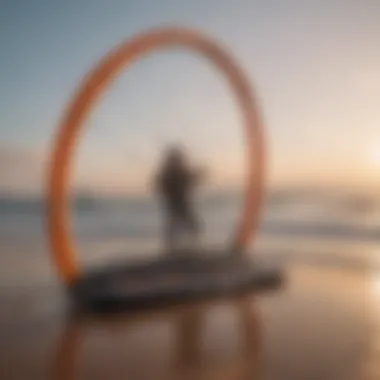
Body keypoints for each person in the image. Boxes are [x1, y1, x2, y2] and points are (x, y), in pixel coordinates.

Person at [154, 146, 206, 253]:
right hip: (176, 204)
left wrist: (200, 174)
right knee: (184, 226)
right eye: (178, 159)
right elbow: (160, 184)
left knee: (189, 226)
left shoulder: (177, 172)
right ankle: (172, 249)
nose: (179, 161)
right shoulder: (170, 173)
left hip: (180, 204)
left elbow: (192, 178)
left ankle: (189, 247)